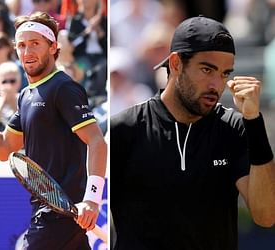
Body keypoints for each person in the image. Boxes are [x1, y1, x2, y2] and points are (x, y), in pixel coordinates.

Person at [0, 11, 107, 249]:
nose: (27, 52)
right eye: (21, 45)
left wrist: (92, 200)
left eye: (35, 44)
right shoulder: (27, 95)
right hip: (54, 213)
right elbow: (4, 147)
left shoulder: (64, 88)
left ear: (53, 47)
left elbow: (96, 141)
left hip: (58, 216)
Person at [110, 16, 275, 250]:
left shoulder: (236, 128)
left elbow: (266, 215)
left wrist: (254, 122)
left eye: (225, 74)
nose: (216, 85)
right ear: (176, 63)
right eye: (207, 70)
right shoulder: (123, 129)